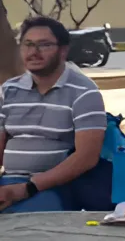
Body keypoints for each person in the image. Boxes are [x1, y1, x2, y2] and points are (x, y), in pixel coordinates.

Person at [0, 17, 108, 213]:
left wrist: (27, 188)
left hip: (56, 186)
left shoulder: (84, 92)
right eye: (28, 44)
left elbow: (86, 157)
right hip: (8, 182)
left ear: (63, 50)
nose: (34, 52)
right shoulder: (8, 90)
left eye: (44, 45)